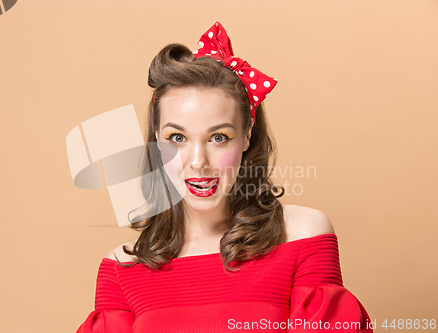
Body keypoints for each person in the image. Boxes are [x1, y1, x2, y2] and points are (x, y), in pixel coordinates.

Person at [75, 22, 373, 332]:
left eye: (218, 137)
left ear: (246, 136)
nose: (198, 162)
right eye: (177, 138)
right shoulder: (122, 268)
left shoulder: (301, 236)